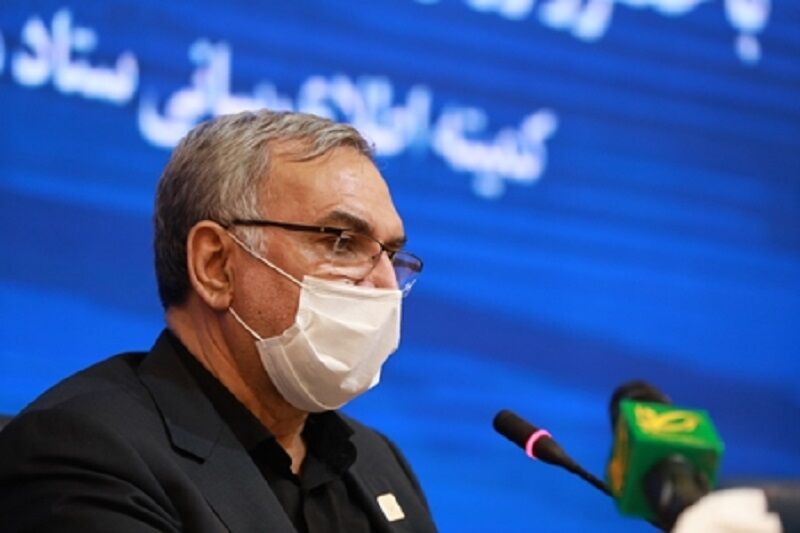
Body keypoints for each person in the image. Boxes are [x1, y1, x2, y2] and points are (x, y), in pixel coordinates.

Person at [0, 110, 437, 532]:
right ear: (215, 266)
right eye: (342, 242)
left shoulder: (378, 462)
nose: (385, 285)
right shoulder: (84, 450)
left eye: (392, 255)